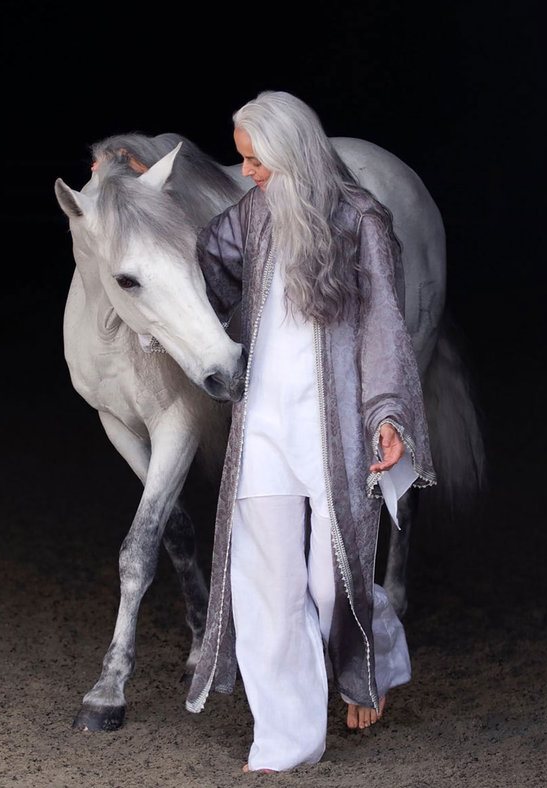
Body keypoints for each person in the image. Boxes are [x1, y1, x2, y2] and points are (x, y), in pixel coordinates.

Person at [185, 90, 436, 773]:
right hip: (263, 427)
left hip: (335, 432)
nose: (246, 173)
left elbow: (383, 328)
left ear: (290, 151)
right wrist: (229, 324)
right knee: (268, 588)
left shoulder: (361, 220)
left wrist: (387, 414)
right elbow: (205, 256)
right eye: (241, 159)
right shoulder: (253, 212)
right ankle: (285, 740)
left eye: (254, 160)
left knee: (334, 586)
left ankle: (375, 655)